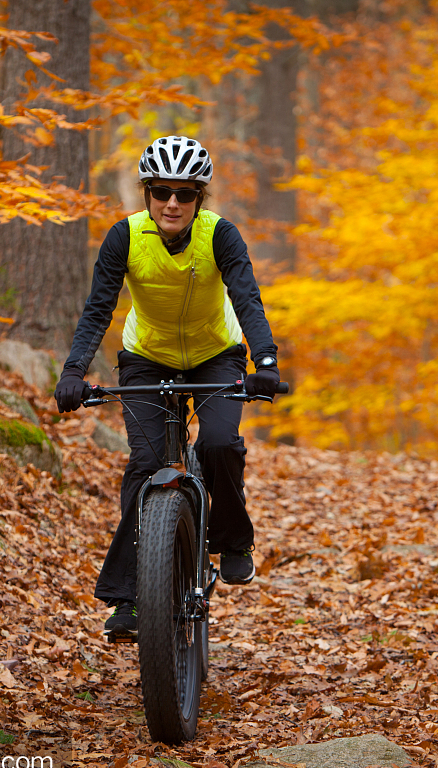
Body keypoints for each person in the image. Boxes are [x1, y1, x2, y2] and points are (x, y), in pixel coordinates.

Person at [54, 135, 281, 635]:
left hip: (213, 355)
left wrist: (264, 360)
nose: (172, 203)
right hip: (147, 358)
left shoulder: (220, 235)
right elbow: (98, 309)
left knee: (220, 443)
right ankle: (132, 598)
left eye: (184, 193)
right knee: (146, 463)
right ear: (147, 194)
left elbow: (246, 297)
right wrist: (73, 371)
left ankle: (232, 539)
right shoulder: (124, 237)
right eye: (161, 192)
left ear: (200, 197)